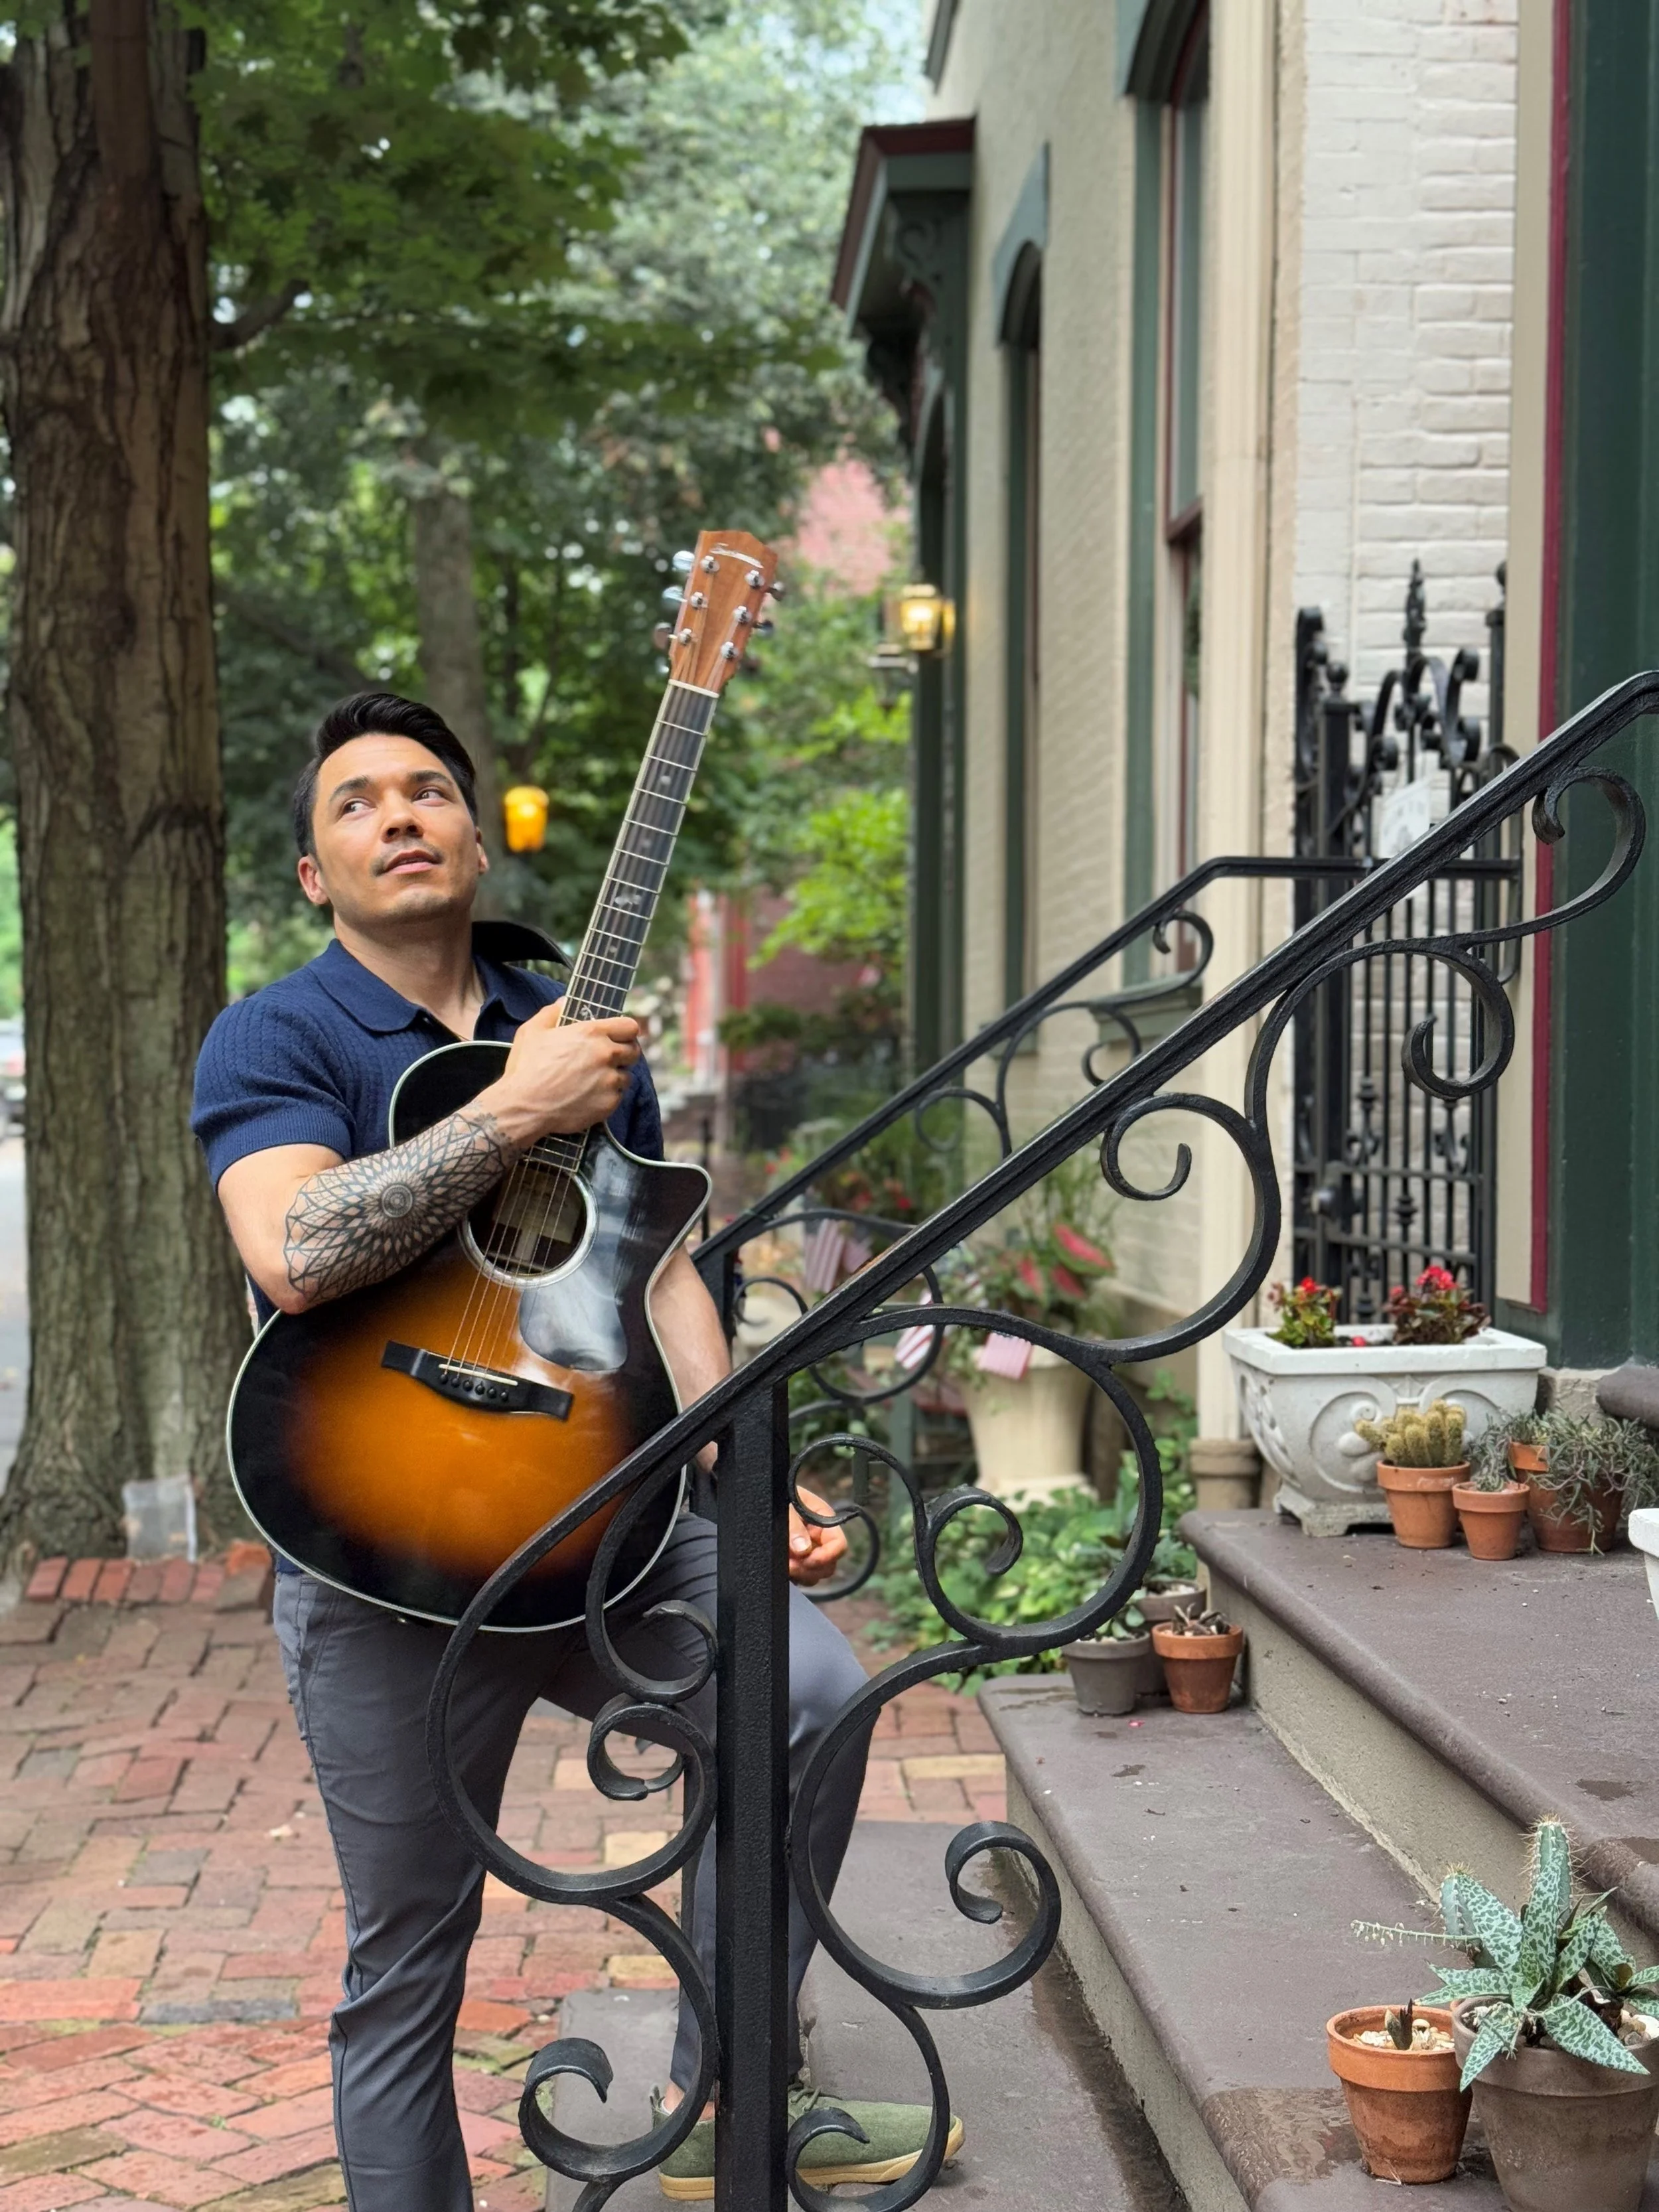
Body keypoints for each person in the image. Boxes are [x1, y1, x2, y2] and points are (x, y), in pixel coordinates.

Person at [192, 693, 961, 2209]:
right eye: (357, 803)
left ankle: (728, 2094)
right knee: (409, 1948)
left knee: (808, 1699)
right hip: (386, 1546)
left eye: (428, 791)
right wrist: (510, 1113)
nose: (399, 816)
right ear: (312, 871)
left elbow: (657, 1262)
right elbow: (293, 1248)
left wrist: (745, 1460)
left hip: (608, 1511)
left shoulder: (589, 1028)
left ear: (480, 837)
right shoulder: (275, 1033)